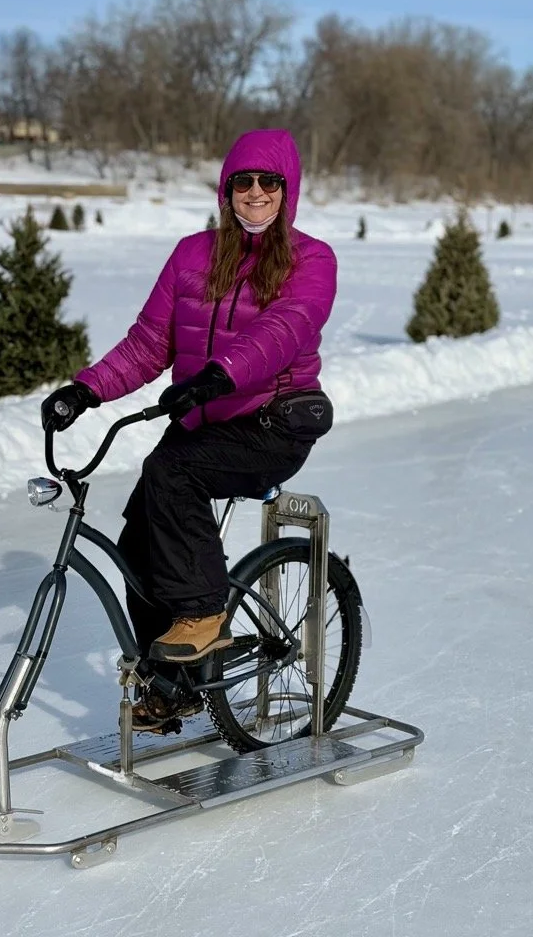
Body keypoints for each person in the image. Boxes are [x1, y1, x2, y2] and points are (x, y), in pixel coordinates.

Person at [41, 129, 337, 732]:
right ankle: (171, 687)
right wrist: (86, 389)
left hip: (272, 422)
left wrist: (220, 375)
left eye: (269, 183)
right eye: (242, 183)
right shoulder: (191, 254)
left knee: (169, 472)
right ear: (225, 192)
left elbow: (283, 330)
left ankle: (203, 614)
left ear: (288, 191)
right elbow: (151, 342)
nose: (255, 194)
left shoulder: (313, 260)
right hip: (201, 419)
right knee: (140, 544)